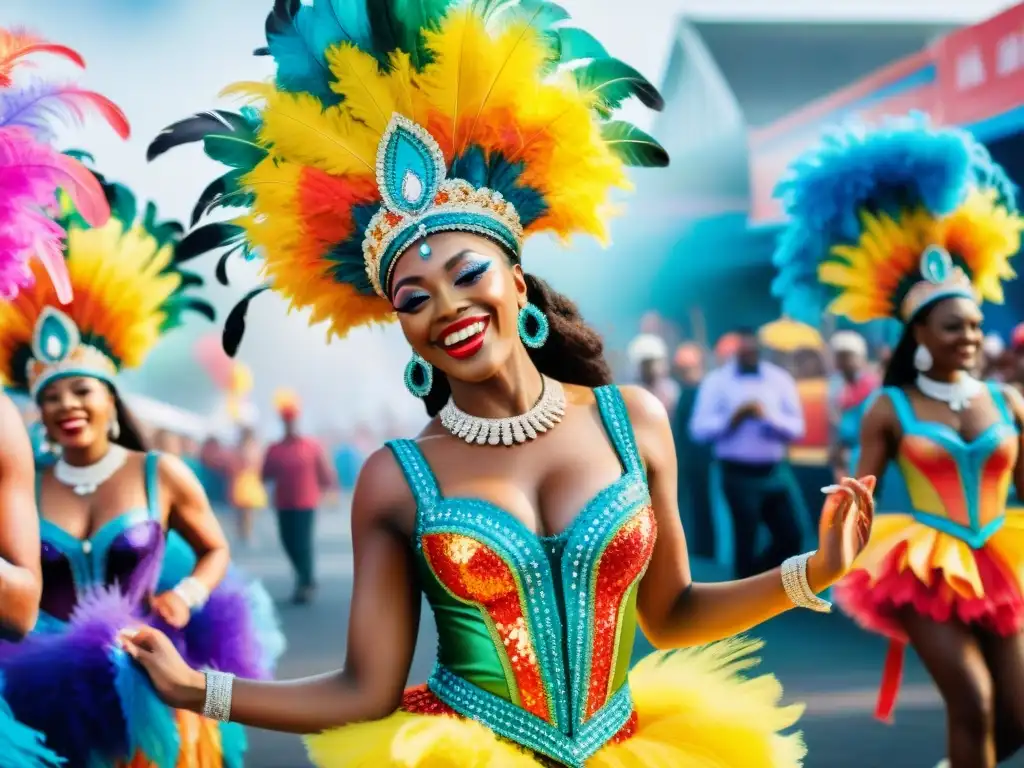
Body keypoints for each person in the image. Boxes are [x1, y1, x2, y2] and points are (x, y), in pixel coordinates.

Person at [131, 3, 875, 766]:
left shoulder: (635, 422)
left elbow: (672, 611)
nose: (448, 308)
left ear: (517, 284)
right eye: (414, 298)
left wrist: (811, 573)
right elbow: (365, 689)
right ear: (403, 327)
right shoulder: (395, 478)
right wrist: (200, 690)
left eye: (467, 275)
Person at [0, 167, 283, 768]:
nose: (67, 406)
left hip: (146, 678)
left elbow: (214, 550)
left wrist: (185, 595)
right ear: (38, 411)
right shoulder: (24, 486)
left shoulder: (162, 473)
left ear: (110, 398)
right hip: (39, 687)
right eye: (51, 397)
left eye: (82, 391)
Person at [771, 116, 1024, 768]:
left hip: (1002, 553)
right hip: (923, 568)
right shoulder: (890, 407)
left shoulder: (1009, 402)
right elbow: (865, 493)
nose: (968, 336)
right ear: (921, 335)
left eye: (973, 324)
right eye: (951, 326)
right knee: (971, 702)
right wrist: (836, 544)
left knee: (1018, 714)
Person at [690, 327, 807, 578]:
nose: (749, 355)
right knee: (746, 536)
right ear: (735, 352)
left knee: (791, 535)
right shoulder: (717, 381)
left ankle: (760, 581)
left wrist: (769, 418)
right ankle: (744, 596)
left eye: (753, 350)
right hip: (737, 472)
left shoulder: (780, 379)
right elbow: (698, 429)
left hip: (774, 471)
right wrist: (732, 420)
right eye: (743, 351)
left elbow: (797, 428)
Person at [261, 390, 335, 604]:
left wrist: (330, 491)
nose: (290, 425)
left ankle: (306, 581)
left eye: (292, 420)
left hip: (306, 503)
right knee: (287, 541)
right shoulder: (275, 448)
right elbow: (265, 474)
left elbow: (325, 473)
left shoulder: (310, 446)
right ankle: (304, 577)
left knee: (302, 543)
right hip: (283, 503)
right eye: (286, 421)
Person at [827, 331, 880, 482]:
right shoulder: (838, 387)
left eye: (848, 356)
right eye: (840, 357)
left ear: (861, 358)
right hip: (846, 461)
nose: (844, 362)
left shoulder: (873, 388)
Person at [231, 425, 269, 546]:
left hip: (248, 480)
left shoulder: (246, 447)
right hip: (245, 480)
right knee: (243, 509)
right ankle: (243, 532)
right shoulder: (245, 448)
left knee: (247, 510)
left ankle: (245, 532)